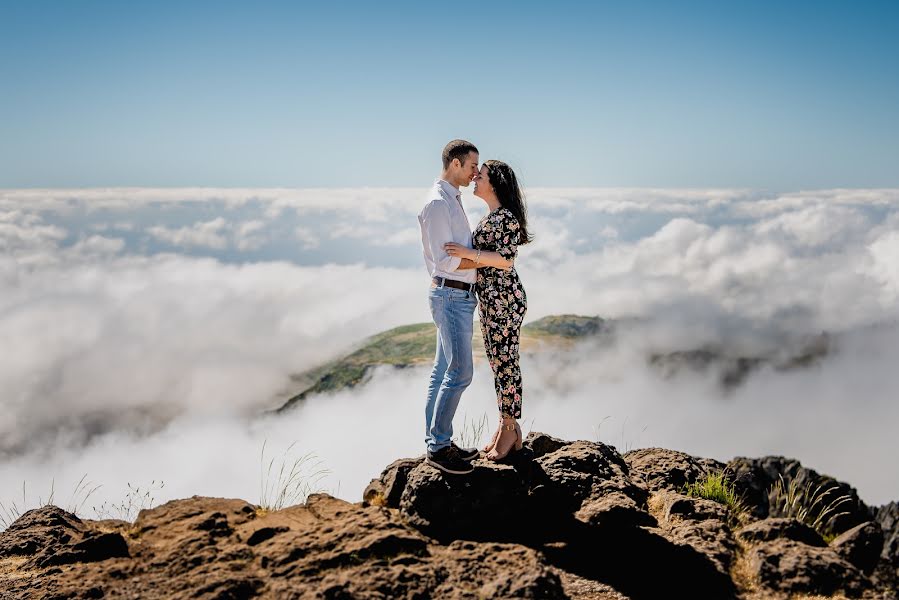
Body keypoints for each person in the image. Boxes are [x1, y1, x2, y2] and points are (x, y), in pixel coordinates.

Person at [445, 160, 532, 460]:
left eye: (479, 176)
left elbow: (506, 259)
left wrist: (468, 254)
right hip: (493, 300)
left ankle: (509, 428)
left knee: (506, 362)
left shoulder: (505, 218)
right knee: (499, 363)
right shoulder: (493, 216)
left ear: (494, 184)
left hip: (504, 300)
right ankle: (506, 425)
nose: (474, 179)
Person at [418, 139, 482, 475]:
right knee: (460, 373)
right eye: (472, 166)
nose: (475, 173)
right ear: (455, 164)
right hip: (450, 295)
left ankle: (436, 440)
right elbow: (445, 259)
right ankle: (439, 448)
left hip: (456, 295)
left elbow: (456, 254)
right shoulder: (438, 204)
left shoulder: (451, 200)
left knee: (442, 372)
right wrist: (475, 257)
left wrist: (468, 255)